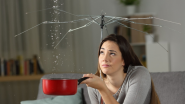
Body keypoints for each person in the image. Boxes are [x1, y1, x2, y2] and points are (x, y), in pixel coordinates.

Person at [81, 34, 153, 104]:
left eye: (112, 53)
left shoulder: (140, 74)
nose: (105, 59)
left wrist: (102, 88)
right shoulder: (94, 85)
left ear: (124, 60)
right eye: (102, 52)